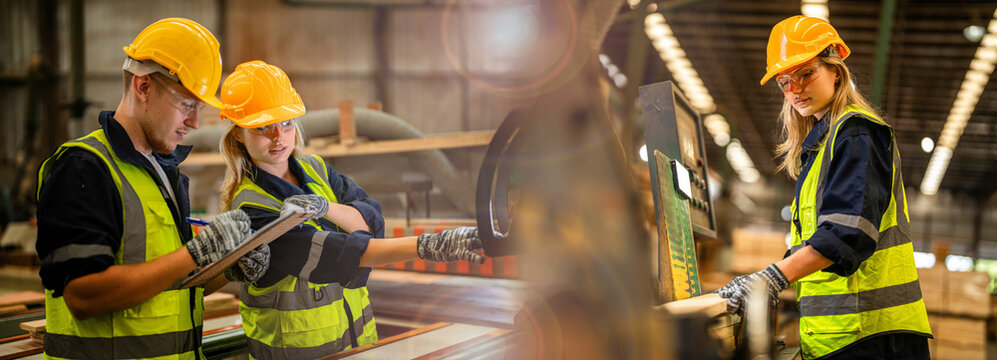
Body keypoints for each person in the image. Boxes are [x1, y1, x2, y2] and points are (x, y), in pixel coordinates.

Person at [217, 60, 486, 359]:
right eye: (262, 128)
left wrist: (324, 208)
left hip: (359, 342)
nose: (279, 137)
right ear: (239, 133)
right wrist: (430, 245)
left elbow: (370, 220)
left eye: (286, 123)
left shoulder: (316, 168)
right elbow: (336, 254)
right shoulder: (250, 207)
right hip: (300, 351)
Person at [34, 18, 267, 359]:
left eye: (199, 108)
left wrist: (226, 269)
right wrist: (196, 253)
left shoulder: (163, 171)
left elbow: (168, 285)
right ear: (143, 87)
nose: (195, 123)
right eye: (187, 105)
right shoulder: (84, 168)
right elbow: (83, 297)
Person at [716, 16, 931, 359]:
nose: (795, 89)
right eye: (785, 81)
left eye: (806, 73)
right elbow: (818, 242)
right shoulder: (821, 147)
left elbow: (846, 235)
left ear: (836, 70)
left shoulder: (856, 134)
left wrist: (773, 277)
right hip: (842, 336)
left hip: (870, 337)